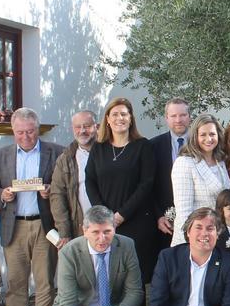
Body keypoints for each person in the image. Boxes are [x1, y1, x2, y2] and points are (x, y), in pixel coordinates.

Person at [0, 107, 64, 306]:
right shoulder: (1, 155)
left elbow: (64, 185)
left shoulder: (56, 152)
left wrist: (50, 189)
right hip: (15, 225)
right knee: (15, 283)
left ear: (37, 129)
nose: (26, 137)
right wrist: (2, 194)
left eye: (30, 132)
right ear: (13, 131)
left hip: (44, 226)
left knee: (45, 283)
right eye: (20, 132)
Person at [85, 97, 157, 283]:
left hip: (137, 223)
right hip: (105, 225)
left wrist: (121, 215)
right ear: (107, 119)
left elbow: (146, 184)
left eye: (124, 114)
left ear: (131, 118)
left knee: (134, 280)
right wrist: (104, 215)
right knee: (109, 278)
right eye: (115, 114)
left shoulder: (143, 146)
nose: (120, 118)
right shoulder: (98, 148)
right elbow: (90, 181)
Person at [170, 114, 230, 246]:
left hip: (217, 234)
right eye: (203, 135)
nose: (208, 139)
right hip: (194, 239)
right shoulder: (185, 163)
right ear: (195, 137)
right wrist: (195, 241)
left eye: (212, 134)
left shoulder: (220, 161)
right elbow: (184, 212)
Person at [49, 110, 98, 243]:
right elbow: (57, 195)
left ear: (96, 126)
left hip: (107, 226)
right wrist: (64, 232)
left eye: (87, 126)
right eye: (78, 127)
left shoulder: (109, 153)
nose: (82, 131)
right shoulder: (65, 159)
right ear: (73, 129)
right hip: (79, 228)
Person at [151, 97, 192, 249]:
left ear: (189, 117)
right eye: (173, 116)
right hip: (165, 224)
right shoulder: (153, 146)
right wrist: (158, 216)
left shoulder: (202, 144)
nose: (178, 120)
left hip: (196, 220)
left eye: (182, 115)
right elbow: (149, 186)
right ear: (166, 118)